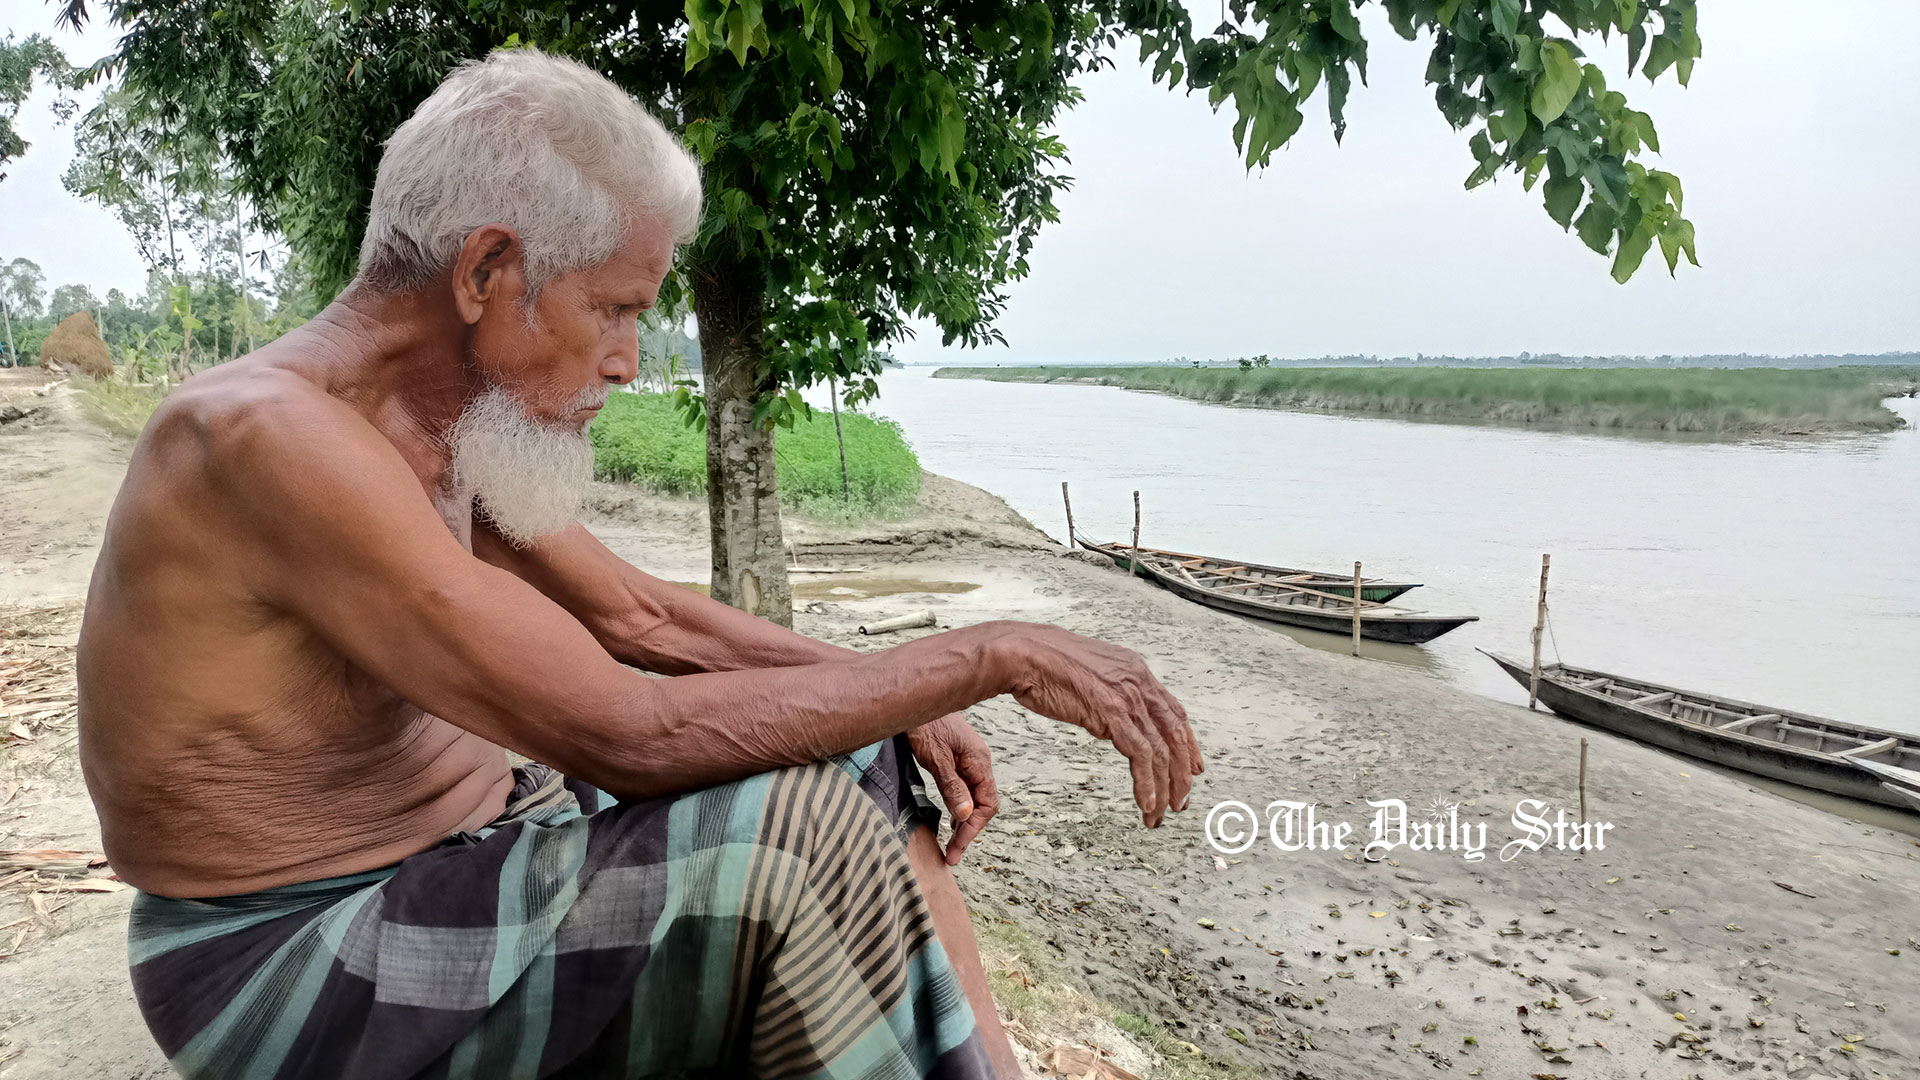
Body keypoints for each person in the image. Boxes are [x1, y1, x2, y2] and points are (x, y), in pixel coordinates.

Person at [76, 48, 1201, 1080]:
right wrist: (984, 654)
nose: (625, 361)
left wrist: (900, 695)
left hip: (473, 852)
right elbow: (628, 731)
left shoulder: (444, 426)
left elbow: (646, 619)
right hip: (292, 962)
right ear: (488, 271)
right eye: (615, 309)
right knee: (794, 847)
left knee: (867, 757)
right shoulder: (267, 440)